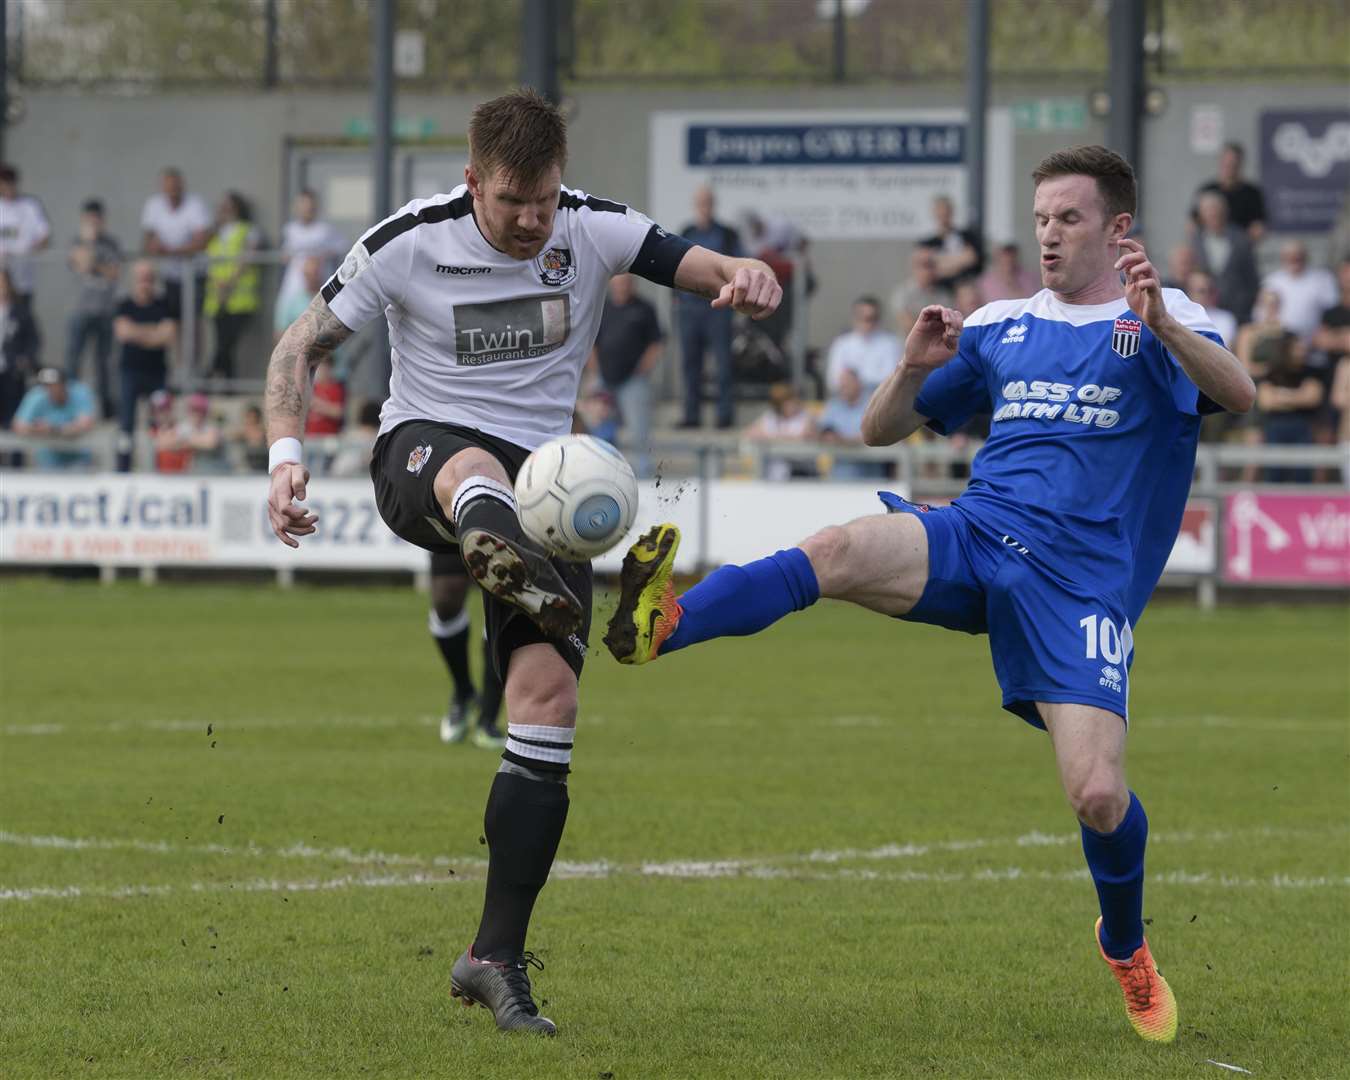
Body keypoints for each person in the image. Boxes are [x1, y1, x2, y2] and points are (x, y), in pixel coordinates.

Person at [605, 145, 1255, 1046]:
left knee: (1099, 796)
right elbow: (877, 431)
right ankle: (662, 624)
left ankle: (1126, 943)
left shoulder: (1166, 314)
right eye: (1040, 221)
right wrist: (911, 369)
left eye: (1069, 219)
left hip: (1081, 585)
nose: (1049, 237)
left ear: (1117, 228)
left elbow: (1241, 394)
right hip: (977, 533)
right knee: (832, 548)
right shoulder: (999, 324)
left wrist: (1165, 327)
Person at [262, 89, 781, 1035]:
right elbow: (299, 348)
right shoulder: (406, 242)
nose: (532, 218)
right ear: (472, 184)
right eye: (511, 201)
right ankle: (499, 545)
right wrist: (286, 459)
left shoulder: (590, 228)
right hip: (422, 456)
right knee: (472, 469)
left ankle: (493, 956)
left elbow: (696, 264)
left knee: (547, 706)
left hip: (546, 489)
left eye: (543, 198)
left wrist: (743, 272)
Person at [677, 185, 742, 428]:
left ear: (713, 205)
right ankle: (691, 415)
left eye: (708, 202)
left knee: (723, 363)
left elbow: (738, 264)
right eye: (700, 202)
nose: (704, 207)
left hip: (718, 309)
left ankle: (724, 415)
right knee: (690, 364)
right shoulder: (686, 231)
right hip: (690, 310)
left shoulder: (727, 234)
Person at [429, 550, 507, 750]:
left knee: (503, 595)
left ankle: (487, 720)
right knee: (445, 598)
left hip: (511, 520)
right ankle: (464, 692)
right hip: (453, 523)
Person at [590, 272, 663, 478]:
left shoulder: (644, 308)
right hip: (604, 378)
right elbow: (590, 341)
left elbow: (656, 342)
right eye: (618, 283)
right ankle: (603, 470)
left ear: (633, 285)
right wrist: (595, 371)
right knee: (602, 428)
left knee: (639, 428)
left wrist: (644, 368)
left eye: (626, 283)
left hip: (633, 380)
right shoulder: (602, 308)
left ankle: (643, 472)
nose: (622, 287)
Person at [114, 260, 178, 472]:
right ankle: (123, 467)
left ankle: (159, 465)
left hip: (156, 372)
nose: (145, 283)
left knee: (160, 420)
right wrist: (152, 332)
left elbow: (167, 336)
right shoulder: (125, 305)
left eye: (149, 278)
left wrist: (137, 332)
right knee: (126, 422)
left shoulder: (164, 305)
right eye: (141, 279)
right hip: (130, 371)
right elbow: (123, 333)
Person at [65, 198, 123, 418]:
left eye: (97, 219)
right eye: (89, 219)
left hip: (106, 311)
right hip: (80, 309)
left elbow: (114, 273)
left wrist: (95, 262)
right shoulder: (76, 242)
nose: (94, 223)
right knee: (74, 360)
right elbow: (81, 265)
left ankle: (107, 408)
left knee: (105, 363)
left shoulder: (112, 244)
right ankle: (68, 406)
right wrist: (89, 244)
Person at [202, 191, 263, 380]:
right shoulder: (217, 233)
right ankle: (226, 383)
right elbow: (209, 261)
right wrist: (217, 282)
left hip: (239, 298)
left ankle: (208, 375)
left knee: (227, 343)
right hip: (218, 299)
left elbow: (248, 257)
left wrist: (229, 283)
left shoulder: (248, 230)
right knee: (222, 343)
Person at [140, 167, 211, 320]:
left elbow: (202, 241)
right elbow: (148, 239)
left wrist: (171, 251)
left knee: (194, 320)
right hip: (169, 274)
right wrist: (157, 246)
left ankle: (193, 346)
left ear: (182, 186)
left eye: (175, 187)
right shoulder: (154, 205)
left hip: (195, 273)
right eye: (168, 187)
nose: (172, 191)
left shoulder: (195, 204)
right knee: (172, 319)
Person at [274, 190, 345, 336]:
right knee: (286, 328)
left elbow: (341, 247)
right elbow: (284, 254)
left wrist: (321, 257)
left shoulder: (325, 230)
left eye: (310, 206)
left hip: (317, 289)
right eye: (303, 206)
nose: (307, 210)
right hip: (293, 287)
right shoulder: (290, 229)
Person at [1255, 334, 1323, 482]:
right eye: (1297, 347)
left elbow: (1312, 398)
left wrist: (1279, 395)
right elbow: (1266, 402)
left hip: (1302, 425)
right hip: (1276, 426)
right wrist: (1298, 396)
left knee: (1302, 472)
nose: (1302, 351)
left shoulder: (1311, 371)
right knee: (1274, 472)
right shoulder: (1272, 373)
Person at [1190, 191, 1259, 323]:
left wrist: (1245, 304)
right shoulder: (1195, 240)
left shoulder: (1241, 239)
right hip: (1203, 313)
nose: (1213, 214)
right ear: (1201, 215)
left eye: (1216, 209)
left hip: (1237, 312)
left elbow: (1252, 278)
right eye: (1208, 210)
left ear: (1225, 212)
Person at [11, 367, 97, 470]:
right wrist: (36, 429)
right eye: (46, 385)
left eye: (54, 385)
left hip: (79, 461)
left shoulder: (80, 393)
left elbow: (85, 424)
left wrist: (53, 429)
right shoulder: (37, 395)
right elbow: (18, 425)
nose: (49, 389)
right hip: (48, 462)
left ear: (64, 384)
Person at [1261, 240, 1338, 343]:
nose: (1294, 258)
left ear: (1306, 256)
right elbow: (1261, 313)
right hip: (1277, 336)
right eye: (1289, 255)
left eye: (1298, 255)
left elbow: (1333, 311)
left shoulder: (1322, 279)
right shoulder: (1272, 281)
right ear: (1282, 258)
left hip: (1313, 338)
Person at [824, 296, 900, 397]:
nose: (867, 322)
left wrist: (856, 383)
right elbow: (833, 381)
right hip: (845, 401)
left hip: (876, 400)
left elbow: (891, 379)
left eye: (871, 318)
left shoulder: (891, 344)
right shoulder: (841, 343)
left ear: (878, 318)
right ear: (854, 317)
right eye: (862, 317)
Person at [0, 164, 52, 311]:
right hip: (1, 283)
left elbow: (44, 237)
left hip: (23, 282)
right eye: (3, 183)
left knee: (21, 320)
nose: (7, 187)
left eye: (10, 182)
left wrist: (26, 252)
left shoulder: (30, 206)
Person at [819, 366, 886, 480]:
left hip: (871, 478)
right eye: (841, 384)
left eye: (847, 383)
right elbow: (825, 434)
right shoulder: (833, 405)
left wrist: (843, 440)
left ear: (858, 383)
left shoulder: (873, 404)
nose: (843, 387)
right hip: (840, 477)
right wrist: (851, 441)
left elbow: (876, 437)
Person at [1191, 142, 1267, 241]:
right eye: (1226, 162)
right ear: (1220, 162)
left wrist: (1242, 243)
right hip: (1209, 245)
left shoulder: (1252, 193)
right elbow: (1192, 224)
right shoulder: (1207, 190)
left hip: (1240, 246)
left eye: (1233, 162)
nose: (1230, 166)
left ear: (1240, 163)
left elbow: (1259, 227)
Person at [744, 381, 816, 481]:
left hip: (801, 473)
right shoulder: (770, 417)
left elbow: (805, 435)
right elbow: (750, 433)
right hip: (774, 476)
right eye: (787, 402)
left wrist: (772, 437)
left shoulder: (805, 416)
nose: (793, 404)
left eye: (793, 400)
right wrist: (783, 437)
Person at [0, 268, 40, 428]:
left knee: (14, 416)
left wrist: (25, 359)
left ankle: (16, 452)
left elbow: (34, 339)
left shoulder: (20, 311)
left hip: (11, 371)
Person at [918, 193, 983, 290]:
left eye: (946, 211)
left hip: (964, 290)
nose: (943, 215)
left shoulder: (966, 236)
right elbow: (931, 269)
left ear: (951, 212)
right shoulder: (927, 242)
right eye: (940, 211)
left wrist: (941, 260)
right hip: (939, 291)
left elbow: (971, 258)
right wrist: (959, 260)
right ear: (934, 213)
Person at [889, 247, 950, 336]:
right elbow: (907, 324)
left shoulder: (943, 295)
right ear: (914, 267)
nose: (928, 270)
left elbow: (949, 324)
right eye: (924, 265)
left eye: (931, 265)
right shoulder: (903, 294)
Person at [274, 256, 324, 342]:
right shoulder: (292, 302)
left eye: (315, 273)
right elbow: (280, 332)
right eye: (309, 274)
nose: (313, 278)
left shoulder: (330, 299)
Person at [1186, 269, 1238, 349]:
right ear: (1189, 292)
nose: (1206, 295)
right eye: (1201, 291)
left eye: (1210, 290)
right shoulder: (1178, 318)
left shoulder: (1226, 319)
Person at [231, 403, 270, 472]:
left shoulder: (264, 432)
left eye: (254, 417)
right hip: (247, 467)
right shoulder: (242, 433)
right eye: (249, 417)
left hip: (263, 466)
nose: (251, 420)